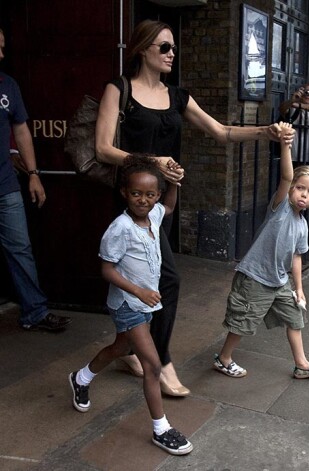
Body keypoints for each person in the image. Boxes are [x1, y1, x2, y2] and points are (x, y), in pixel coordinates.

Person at [95, 19, 294, 395]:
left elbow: (222, 131)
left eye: (173, 47)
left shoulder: (178, 97)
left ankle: (131, 349)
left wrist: (266, 131)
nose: (172, 54)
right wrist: (153, 161)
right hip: (131, 202)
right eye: (164, 47)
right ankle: (162, 361)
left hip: (163, 204)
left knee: (150, 275)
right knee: (164, 278)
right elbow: (103, 148)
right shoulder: (119, 89)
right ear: (142, 49)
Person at [69, 154, 193, 455]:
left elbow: (170, 207)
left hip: (144, 304)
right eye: (136, 194)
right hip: (128, 303)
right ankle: (161, 428)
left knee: (121, 348)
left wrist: (175, 183)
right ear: (125, 192)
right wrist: (139, 291)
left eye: (150, 195)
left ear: (157, 195)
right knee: (151, 365)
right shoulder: (120, 228)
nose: (143, 200)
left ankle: (81, 377)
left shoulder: (154, 215)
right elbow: (107, 270)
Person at [213, 122, 309, 380]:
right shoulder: (281, 208)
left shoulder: (302, 225)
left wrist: (299, 288)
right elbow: (286, 176)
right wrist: (285, 145)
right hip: (255, 277)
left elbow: (297, 256)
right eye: (300, 188)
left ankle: (302, 364)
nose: (304, 194)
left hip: (280, 281)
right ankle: (223, 359)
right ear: (291, 190)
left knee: (295, 318)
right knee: (244, 321)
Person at [0, 28, 71, 331]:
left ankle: (35, 312)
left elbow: (22, 131)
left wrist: (33, 175)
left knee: (21, 249)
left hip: (5, 186)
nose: (2, 55)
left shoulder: (8, 86)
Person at [279, 84, 309, 165]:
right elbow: (281, 109)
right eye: (306, 91)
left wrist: (299, 105)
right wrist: (292, 100)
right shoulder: (293, 110)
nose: (308, 94)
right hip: (292, 155)